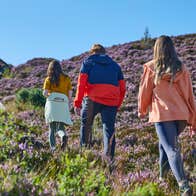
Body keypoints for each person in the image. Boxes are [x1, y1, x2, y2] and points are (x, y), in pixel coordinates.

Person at [138, 35, 195, 196]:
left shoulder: (150, 67)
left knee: (171, 148)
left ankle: (183, 185)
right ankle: (163, 178)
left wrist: (142, 110)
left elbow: (144, 92)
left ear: (157, 49)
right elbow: (189, 95)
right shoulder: (181, 68)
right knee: (164, 145)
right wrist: (193, 117)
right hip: (182, 116)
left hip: (163, 115)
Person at [74, 44, 126, 160]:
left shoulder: (87, 63)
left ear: (92, 52)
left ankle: (85, 155)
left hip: (92, 99)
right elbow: (123, 88)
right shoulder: (115, 66)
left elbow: (81, 85)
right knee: (109, 130)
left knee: (86, 125)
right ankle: (109, 160)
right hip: (111, 102)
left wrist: (77, 103)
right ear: (104, 52)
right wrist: (117, 104)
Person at [43, 60, 73, 152]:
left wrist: (50, 96)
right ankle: (63, 136)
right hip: (63, 104)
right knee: (60, 127)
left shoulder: (49, 79)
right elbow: (70, 94)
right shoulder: (67, 78)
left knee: (52, 128)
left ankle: (53, 149)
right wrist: (67, 103)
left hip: (52, 104)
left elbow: (45, 93)